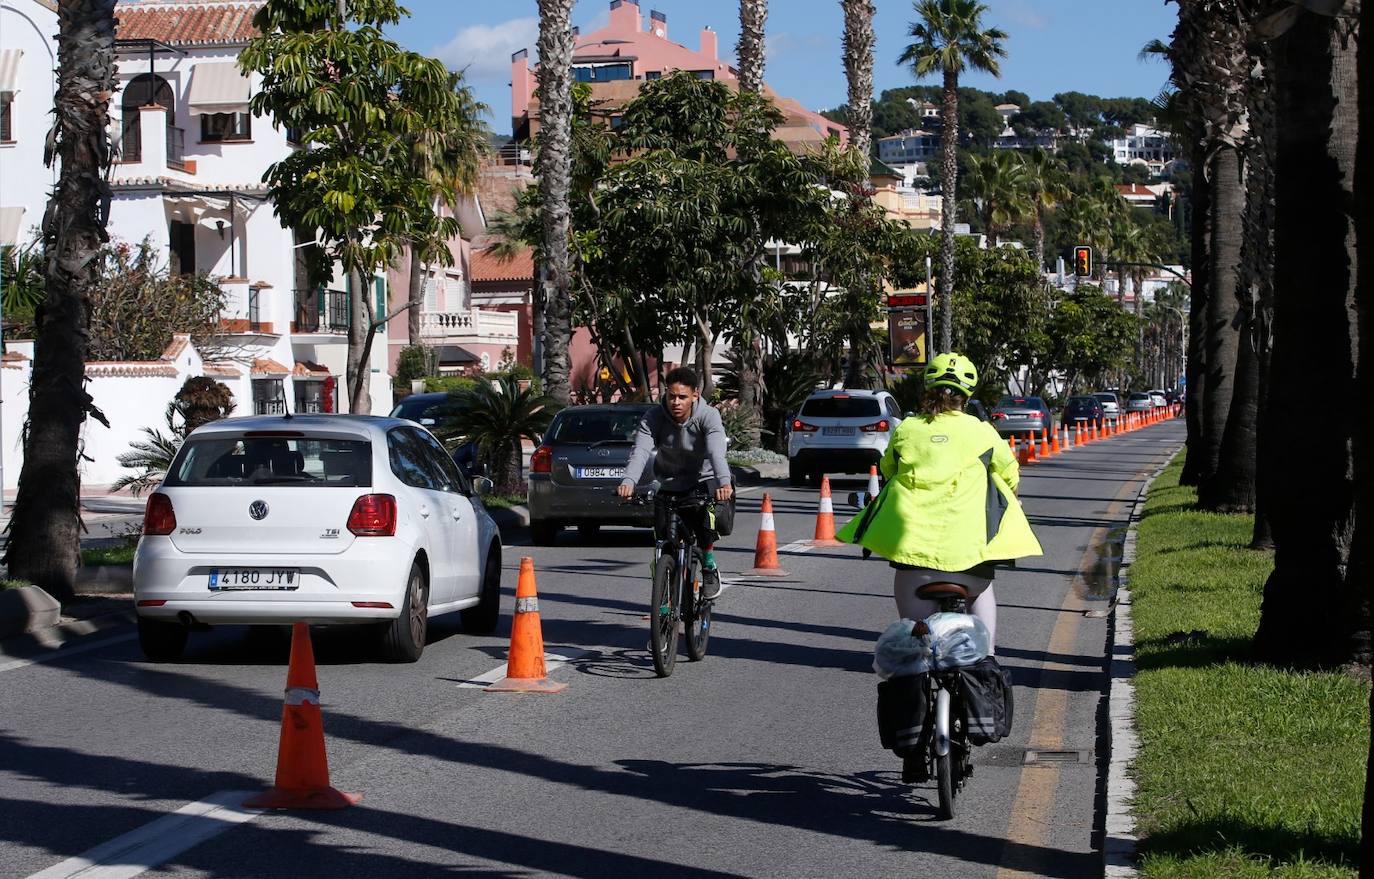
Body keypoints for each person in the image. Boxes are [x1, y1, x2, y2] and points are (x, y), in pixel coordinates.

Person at [837, 353, 1042, 651]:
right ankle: (987, 657)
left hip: (913, 557)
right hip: (972, 557)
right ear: (966, 396)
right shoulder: (982, 431)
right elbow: (1009, 475)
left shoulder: (908, 429)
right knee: (981, 597)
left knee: (914, 643)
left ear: (927, 389)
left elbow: (889, 471)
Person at [617, 367, 734, 600]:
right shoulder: (654, 417)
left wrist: (724, 483)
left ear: (695, 395)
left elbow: (715, 452)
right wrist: (628, 481)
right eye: (672, 396)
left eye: (682, 397)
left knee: (706, 519)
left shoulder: (708, 416)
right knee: (663, 539)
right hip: (668, 481)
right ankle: (664, 577)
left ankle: (709, 566)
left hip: (705, 480)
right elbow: (640, 451)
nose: (676, 402)